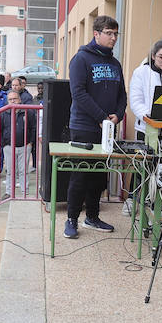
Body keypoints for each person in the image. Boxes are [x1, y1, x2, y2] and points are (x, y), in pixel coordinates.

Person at [64, 15, 126, 238]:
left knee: (99, 177)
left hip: (107, 128)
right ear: (96, 34)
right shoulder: (81, 59)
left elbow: (122, 95)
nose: (113, 37)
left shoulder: (115, 63)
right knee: (80, 175)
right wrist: (101, 117)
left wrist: (117, 115)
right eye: (109, 33)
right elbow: (78, 93)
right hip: (84, 126)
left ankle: (92, 216)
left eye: (115, 33)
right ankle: (71, 220)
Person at [129, 39, 162, 136]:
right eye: (161, 57)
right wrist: (151, 117)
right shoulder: (141, 72)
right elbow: (135, 101)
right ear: (153, 56)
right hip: (146, 129)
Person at [0, 81, 37, 196]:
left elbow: (33, 128)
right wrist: (3, 144)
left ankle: (25, 192)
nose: (13, 101)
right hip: (9, 145)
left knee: (23, 170)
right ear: (7, 101)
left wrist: (30, 142)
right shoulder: (3, 113)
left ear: (20, 99)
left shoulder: (28, 112)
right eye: (10, 99)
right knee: (10, 171)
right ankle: (9, 192)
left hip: (24, 145)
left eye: (15, 99)